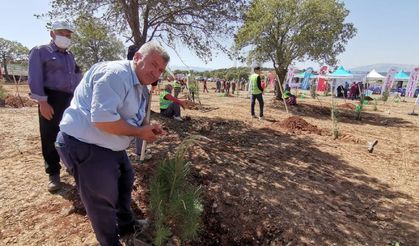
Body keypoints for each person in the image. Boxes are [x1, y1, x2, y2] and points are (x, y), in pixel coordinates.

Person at [55, 42, 169, 245]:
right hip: (85, 144)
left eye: (161, 70)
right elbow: (103, 119)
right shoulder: (115, 75)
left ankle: (127, 226)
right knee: (101, 201)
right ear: (137, 58)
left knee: (126, 179)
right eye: (153, 64)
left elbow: (130, 116)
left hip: (111, 144)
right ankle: (110, 241)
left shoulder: (140, 84)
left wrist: (148, 127)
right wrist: (138, 132)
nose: (156, 73)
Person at [28, 20, 83, 192]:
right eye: (62, 34)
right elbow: (34, 77)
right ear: (52, 34)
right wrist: (42, 102)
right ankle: (53, 174)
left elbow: (76, 77)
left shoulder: (70, 56)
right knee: (49, 135)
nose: (65, 38)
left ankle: (71, 166)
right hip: (50, 98)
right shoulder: (40, 51)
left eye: (68, 35)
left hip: (69, 99)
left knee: (71, 133)